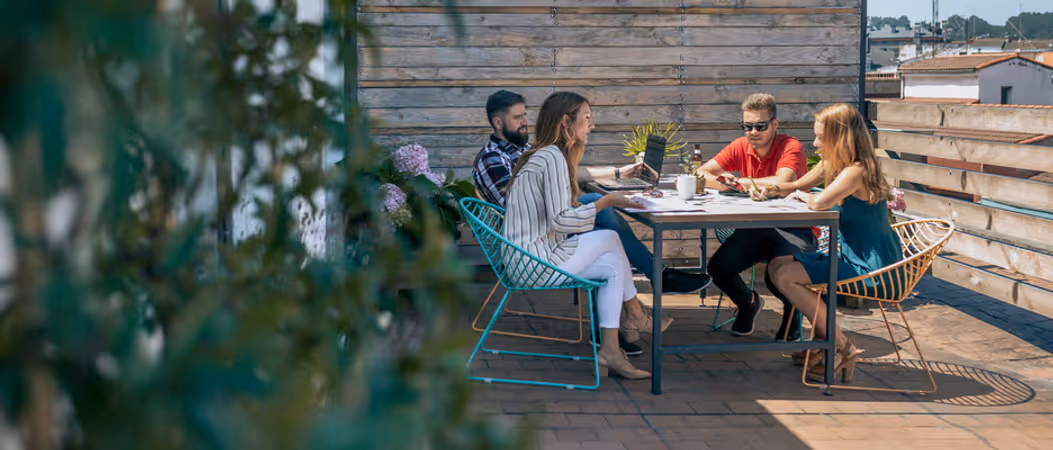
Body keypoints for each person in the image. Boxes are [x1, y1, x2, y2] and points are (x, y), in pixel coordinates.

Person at [473, 90, 711, 356]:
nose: (525, 122)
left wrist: (617, 174)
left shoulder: (532, 150)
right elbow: (522, 207)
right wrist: (604, 202)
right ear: (497, 122)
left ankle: (613, 342)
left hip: (544, 237)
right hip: (531, 246)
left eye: (525, 115)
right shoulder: (495, 158)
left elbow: (564, 181)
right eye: (518, 117)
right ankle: (643, 301)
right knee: (608, 234)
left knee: (608, 245)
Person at [503, 92, 670, 379]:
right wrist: (606, 202)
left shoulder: (548, 155)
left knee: (613, 265)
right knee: (609, 238)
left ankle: (611, 351)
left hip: (533, 255)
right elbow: (563, 221)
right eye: (587, 118)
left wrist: (605, 199)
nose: (591, 126)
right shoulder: (551, 157)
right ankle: (637, 316)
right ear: (566, 122)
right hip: (532, 262)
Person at [760, 103, 902, 383]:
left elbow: (819, 201)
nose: (814, 144)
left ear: (841, 139)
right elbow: (800, 185)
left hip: (873, 268)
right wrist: (764, 187)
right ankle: (824, 344)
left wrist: (806, 197)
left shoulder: (856, 170)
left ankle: (843, 347)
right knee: (779, 264)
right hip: (851, 257)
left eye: (820, 138)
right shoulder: (836, 165)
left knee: (787, 276)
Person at [694, 93, 815, 339]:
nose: (753, 132)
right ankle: (748, 302)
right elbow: (701, 172)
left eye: (760, 126)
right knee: (718, 269)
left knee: (777, 274)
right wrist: (725, 183)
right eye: (747, 126)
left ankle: (793, 312)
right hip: (757, 228)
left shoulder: (790, 146)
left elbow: (783, 181)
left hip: (794, 229)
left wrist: (739, 182)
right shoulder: (740, 146)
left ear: (775, 124)